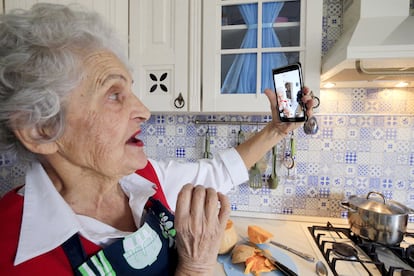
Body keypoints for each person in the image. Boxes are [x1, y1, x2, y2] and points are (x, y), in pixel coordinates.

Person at [0, 3, 315, 275]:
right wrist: (194, 267)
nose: (143, 111)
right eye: (114, 94)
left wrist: (276, 130)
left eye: (130, 90)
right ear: (39, 130)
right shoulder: (14, 253)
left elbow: (218, 173)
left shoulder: (141, 179)